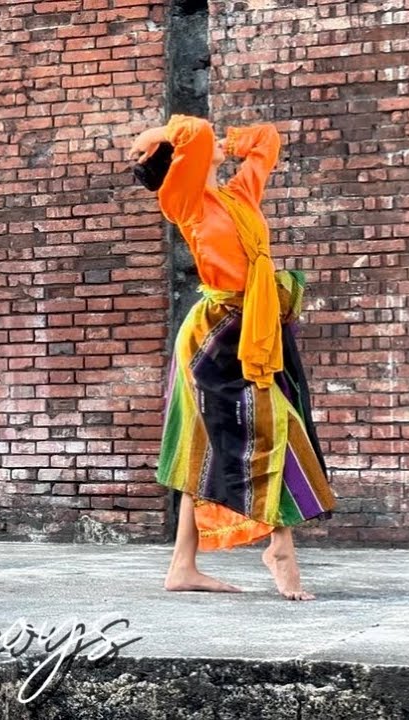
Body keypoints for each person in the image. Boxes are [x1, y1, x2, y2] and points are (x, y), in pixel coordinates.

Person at [130, 115, 336, 601]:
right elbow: (196, 133)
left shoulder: (237, 196)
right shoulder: (183, 200)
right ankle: (280, 545)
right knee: (268, 428)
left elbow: (266, 142)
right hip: (218, 337)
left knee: (206, 446)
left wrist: (234, 143)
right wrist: (154, 137)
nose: (214, 144)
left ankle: (182, 565)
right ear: (177, 160)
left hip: (258, 328)